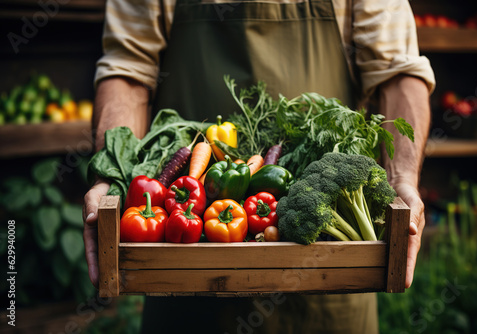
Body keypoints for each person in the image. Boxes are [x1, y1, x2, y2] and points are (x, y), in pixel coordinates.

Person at [83, 0, 435, 332]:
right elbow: (127, 70)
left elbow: (399, 72)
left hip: (329, 278)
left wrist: (402, 178)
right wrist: (109, 177)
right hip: (182, 270)